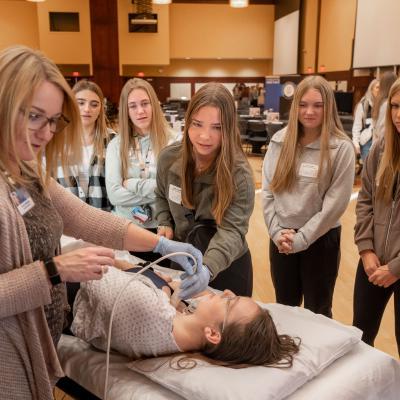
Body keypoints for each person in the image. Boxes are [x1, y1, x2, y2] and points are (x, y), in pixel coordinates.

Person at [0, 45, 204, 399]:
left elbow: (85, 219)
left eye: (53, 121)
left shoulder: (26, 171)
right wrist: (52, 270)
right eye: (35, 117)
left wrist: (159, 244)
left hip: (36, 342)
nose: (47, 133)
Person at [71, 266, 300, 368]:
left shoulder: (148, 308)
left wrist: (161, 285)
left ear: (212, 333)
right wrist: (168, 290)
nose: (227, 292)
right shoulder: (176, 326)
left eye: (230, 301)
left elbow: (91, 267)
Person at [262, 75, 355, 318]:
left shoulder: (341, 148)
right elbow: (268, 193)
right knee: (285, 309)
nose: (309, 112)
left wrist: (302, 239)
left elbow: (335, 205)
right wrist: (276, 232)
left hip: (321, 241)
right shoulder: (279, 142)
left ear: (328, 107)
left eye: (317, 105)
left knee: (319, 312)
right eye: (303, 105)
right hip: (282, 238)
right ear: (295, 107)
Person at [155, 82, 255, 299]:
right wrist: (164, 221)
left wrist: (207, 269)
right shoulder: (168, 159)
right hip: (182, 259)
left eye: (216, 127)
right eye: (197, 124)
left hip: (228, 267)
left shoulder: (240, 175)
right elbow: (161, 195)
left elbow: (232, 231)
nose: (204, 136)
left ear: (228, 128)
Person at [353, 78, 400, 354]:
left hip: (395, 266)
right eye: (395, 106)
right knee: (360, 337)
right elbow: (365, 201)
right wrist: (366, 249)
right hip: (372, 263)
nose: (398, 114)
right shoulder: (380, 150)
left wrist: (395, 268)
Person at [55, 79, 115, 211]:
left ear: (101, 109)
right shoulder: (55, 142)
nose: (87, 109)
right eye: (80, 103)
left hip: (105, 222)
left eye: (94, 104)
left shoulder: (113, 141)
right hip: (67, 225)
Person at [352, 79, 379, 162]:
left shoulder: (384, 104)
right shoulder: (363, 105)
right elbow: (357, 126)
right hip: (367, 142)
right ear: (371, 89)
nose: (380, 90)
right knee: (367, 171)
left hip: (380, 143)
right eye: (377, 87)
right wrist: (356, 144)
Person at [372, 71, 397, 141]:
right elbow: (383, 129)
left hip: (378, 141)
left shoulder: (378, 101)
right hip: (384, 142)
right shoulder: (387, 104)